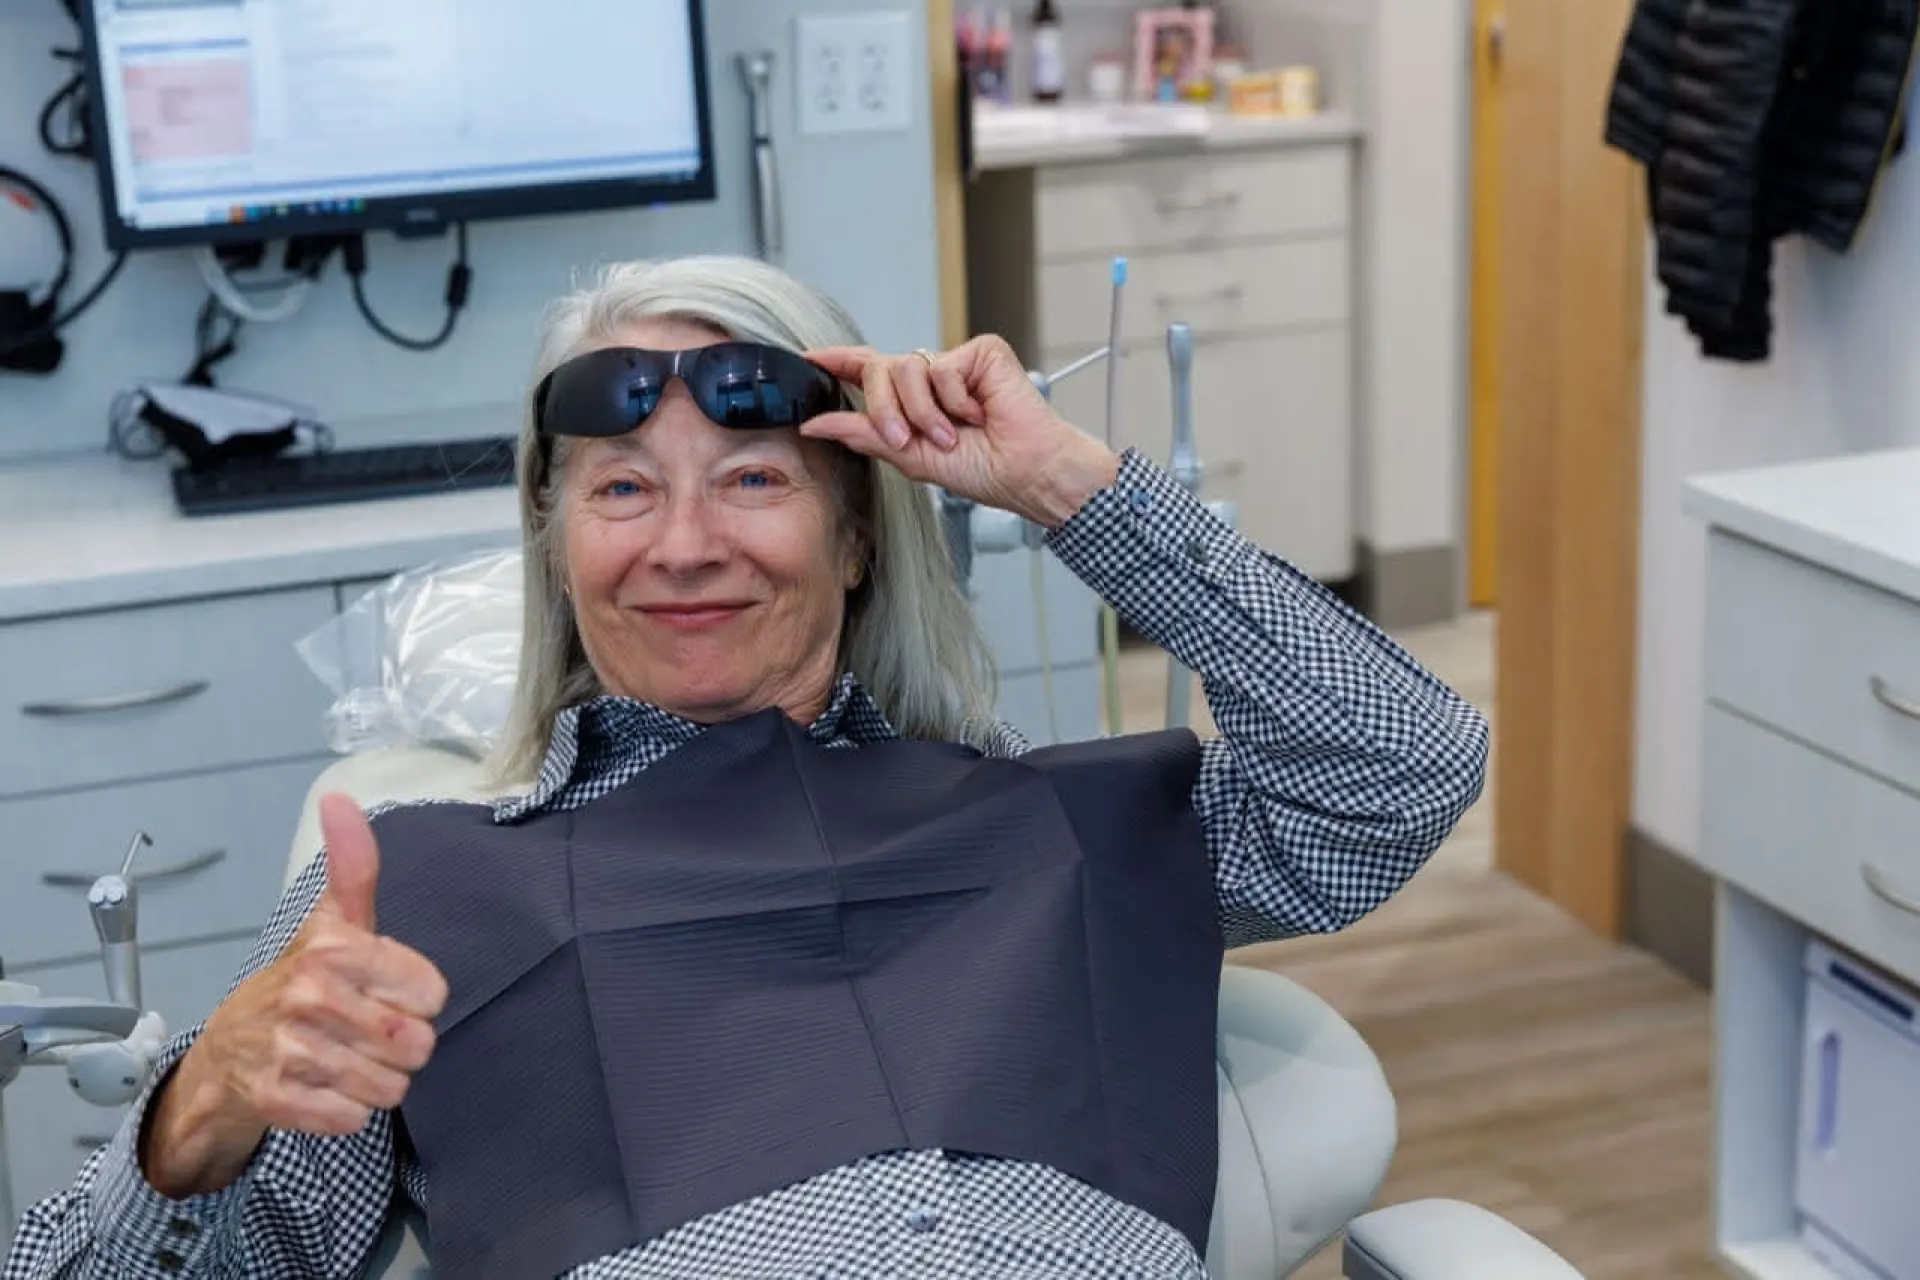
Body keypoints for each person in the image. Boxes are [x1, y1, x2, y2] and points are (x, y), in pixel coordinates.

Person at [4, 256, 1488, 1279]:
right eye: (625, 489)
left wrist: (1065, 488)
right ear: (556, 543)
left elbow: (1401, 766)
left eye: (757, 481)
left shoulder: (1070, 819)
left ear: (857, 537)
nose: (688, 544)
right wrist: (198, 1106)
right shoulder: (416, 892)